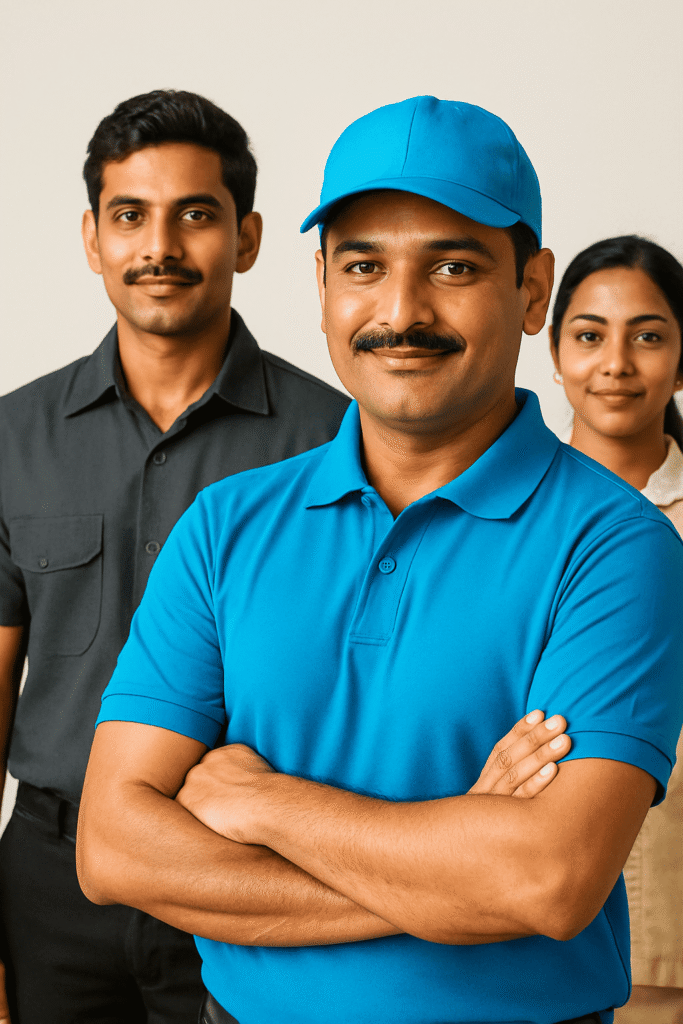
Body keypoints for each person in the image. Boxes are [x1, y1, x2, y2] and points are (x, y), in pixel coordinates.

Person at [78, 96, 683, 1024]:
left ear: (530, 290)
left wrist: (265, 802)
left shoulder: (616, 546)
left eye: (452, 266)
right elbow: (114, 848)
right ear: (321, 283)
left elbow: (549, 880)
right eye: (363, 266)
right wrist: (455, 877)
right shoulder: (224, 526)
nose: (400, 313)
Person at [0, 89, 352, 1024]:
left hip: (250, 868)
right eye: (130, 216)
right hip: (52, 873)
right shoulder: (12, 437)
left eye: (196, 214)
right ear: (91, 238)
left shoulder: (336, 441)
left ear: (247, 238)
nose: (159, 246)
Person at [549, 235, 683, 1024]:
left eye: (648, 334)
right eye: (590, 334)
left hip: (670, 894)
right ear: (555, 345)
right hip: (522, 899)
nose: (616, 362)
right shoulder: (503, 513)